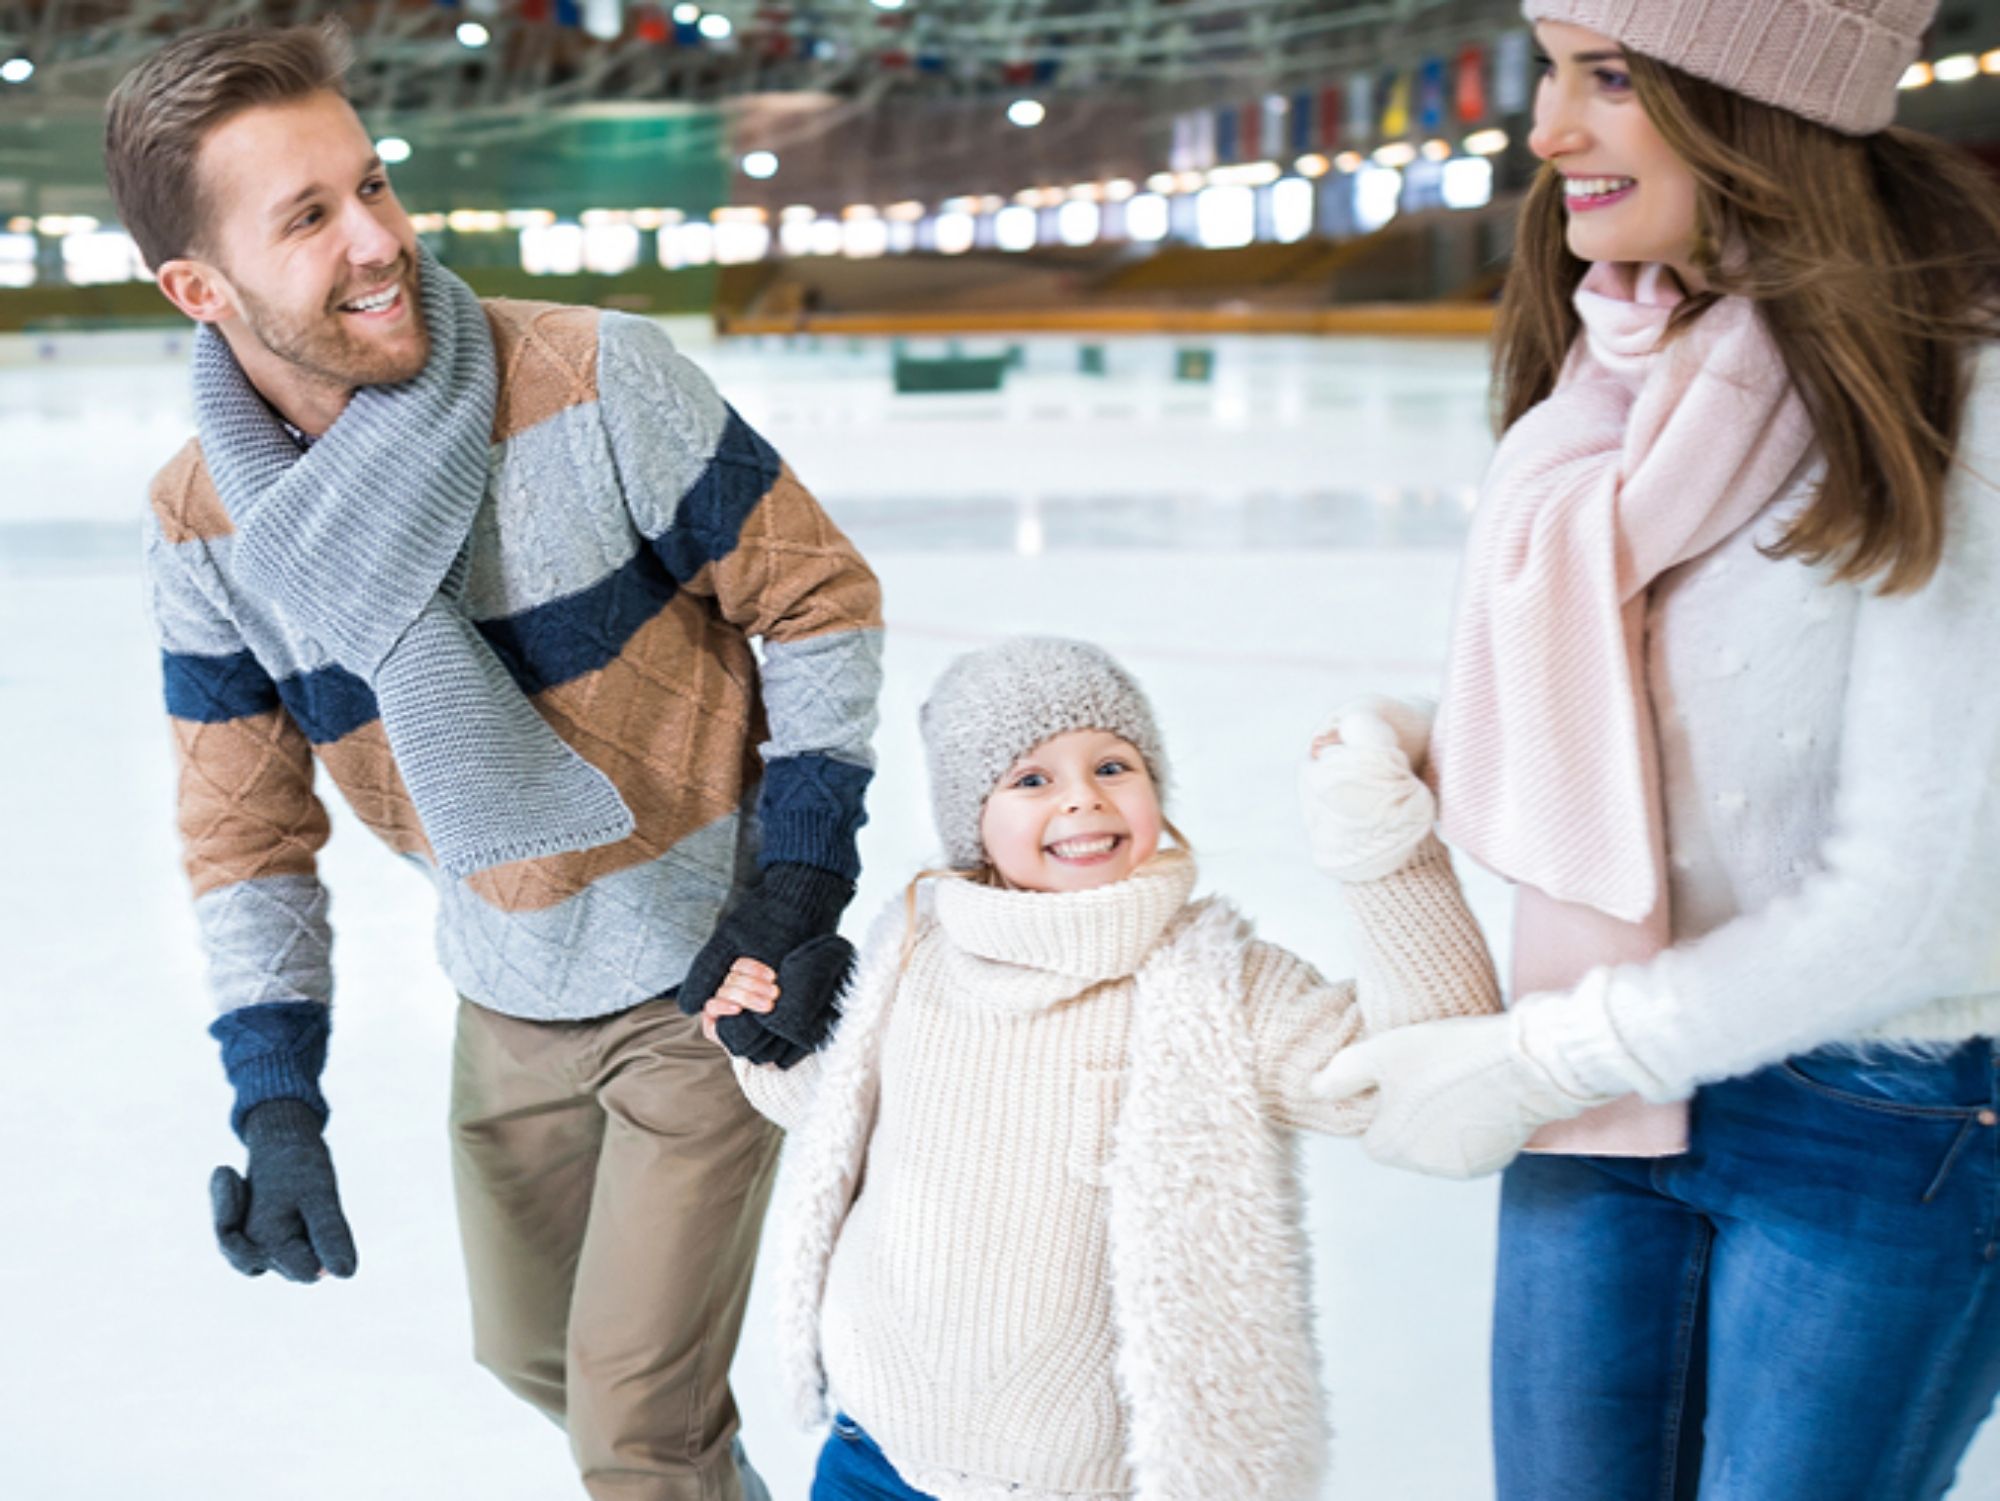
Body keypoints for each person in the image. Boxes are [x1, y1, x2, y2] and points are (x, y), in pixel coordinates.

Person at [109, 22, 883, 1501]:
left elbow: (817, 599)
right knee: (533, 1353)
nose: (382, 241)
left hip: (703, 982)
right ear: (198, 290)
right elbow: (245, 829)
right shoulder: (210, 523)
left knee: (632, 1434)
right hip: (505, 983)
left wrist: (797, 880)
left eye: (374, 186)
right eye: (311, 217)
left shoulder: (593, 380)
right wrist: (278, 1098)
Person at [1318, 2, 2000, 1496]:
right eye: (1552, 74)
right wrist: (1436, 748)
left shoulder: (1960, 395)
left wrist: (1542, 1055)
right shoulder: (1619, 369)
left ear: (1756, 105)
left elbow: (1927, 900)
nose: (1550, 130)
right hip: (1607, 1088)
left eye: (1609, 80)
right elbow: (1692, 728)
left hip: (1880, 1114)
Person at [699, 637, 1502, 1501]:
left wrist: (1383, 847)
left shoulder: (1216, 985)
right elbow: (842, 1120)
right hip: (874, 1456)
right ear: (972, 820)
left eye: (1113, 764)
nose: (1083, 796)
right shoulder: (914, 955)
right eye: (1032, 778)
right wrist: (762, 1034)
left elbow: (1432, 1073)